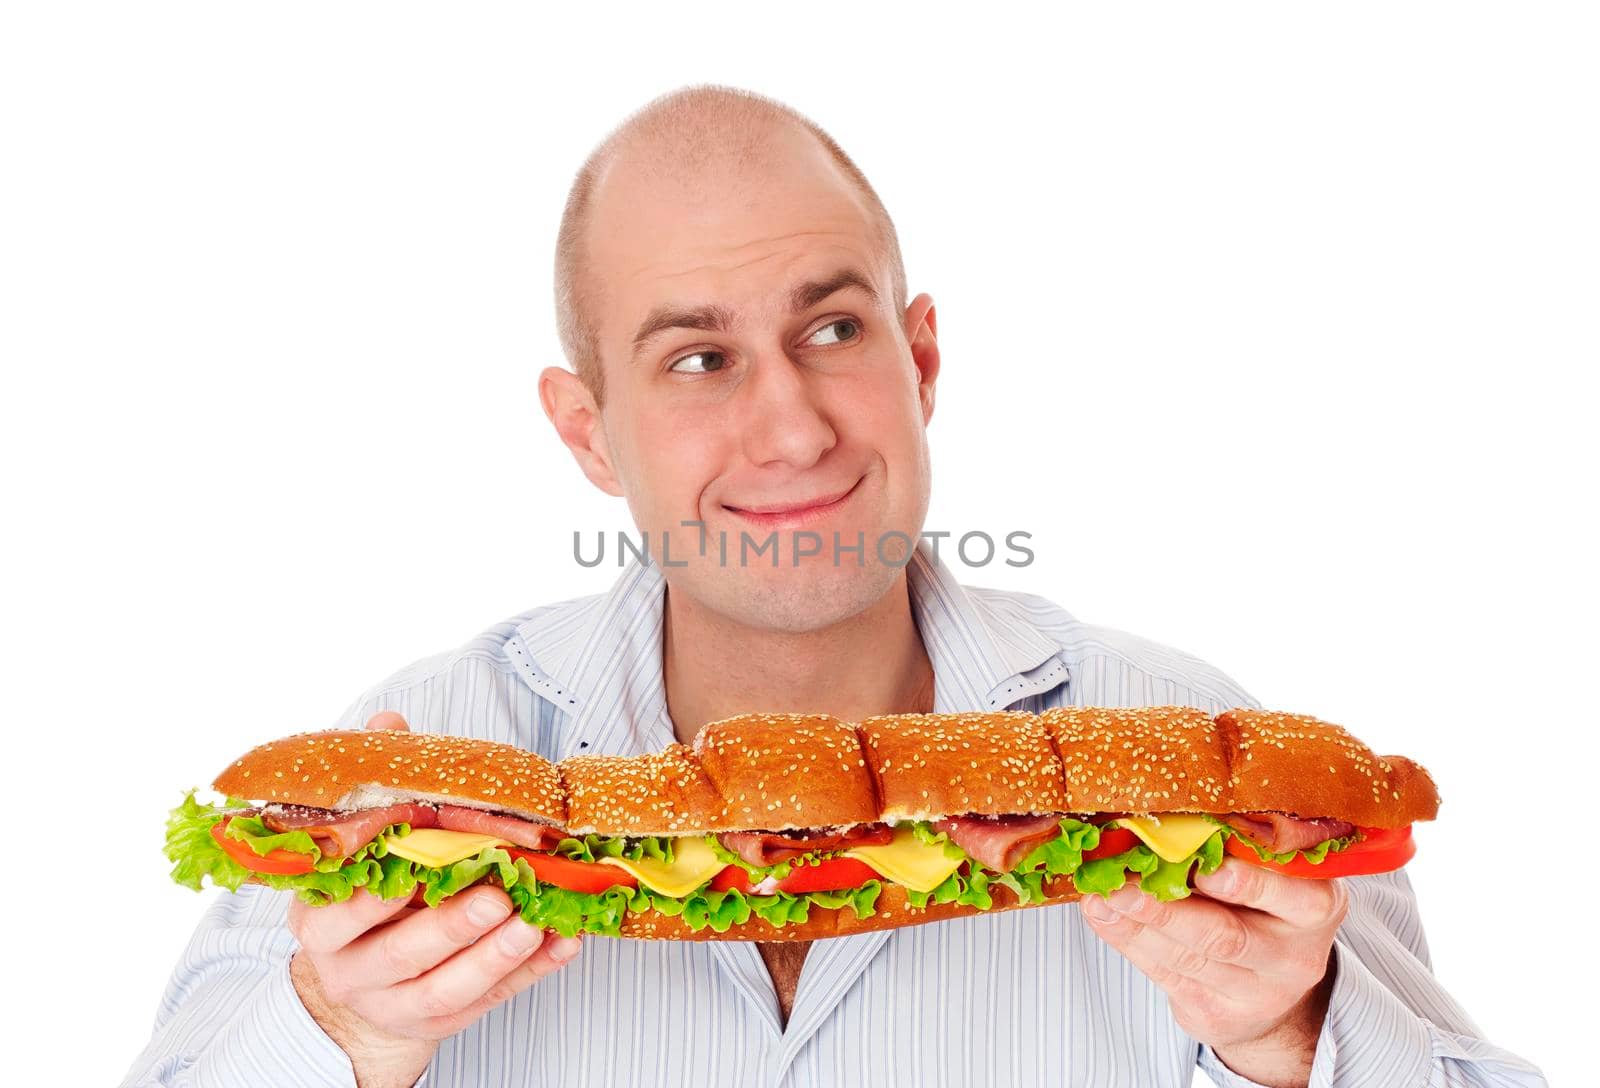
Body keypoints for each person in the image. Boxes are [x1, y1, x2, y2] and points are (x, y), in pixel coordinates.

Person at [121, 84, 1546, 1088]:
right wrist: (337, 1041)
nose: (794, 427)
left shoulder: (1188, 743)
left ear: (921, 360)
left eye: (834, 327)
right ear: (585, 431)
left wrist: (1294, 1043)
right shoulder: (405, 766)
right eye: (697, 358)